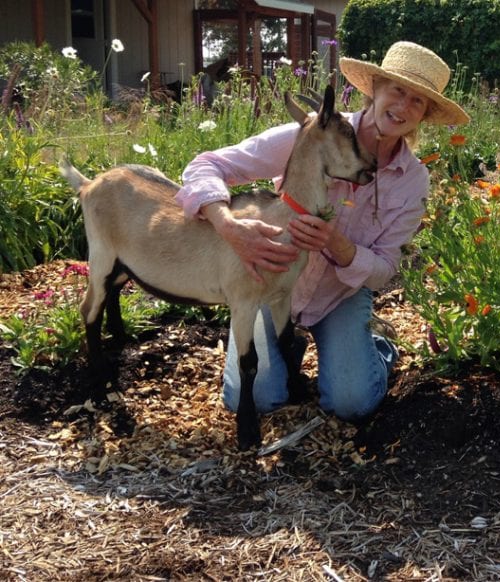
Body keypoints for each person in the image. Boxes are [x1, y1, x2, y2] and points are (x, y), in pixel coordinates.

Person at [174, 41, 470, 421]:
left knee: (352, 403)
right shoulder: (312, 132)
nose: (402, 106)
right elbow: (207, 164)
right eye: (397, 90)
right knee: (255, 399)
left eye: (417, 101)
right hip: (269, 286)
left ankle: (376, 349)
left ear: (425, 115)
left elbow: (385, 270)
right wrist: (226, 225)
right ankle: (287, 348)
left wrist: (339, 246)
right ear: (374, 89)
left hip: (338, 296)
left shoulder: (412, 181)